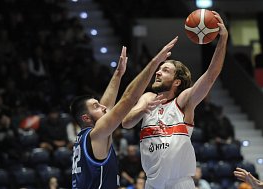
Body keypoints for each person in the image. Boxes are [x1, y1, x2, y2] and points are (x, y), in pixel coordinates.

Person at [122, 11, 228, 189]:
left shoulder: (183, 101)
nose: (158, 72)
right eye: (159, 69)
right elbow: (126, 123)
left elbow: (210, 77)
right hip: (152, 183)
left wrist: (223, 39)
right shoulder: (147, 98)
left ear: (177, 81)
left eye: (165, 70)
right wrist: (142, 109)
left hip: (179, 183)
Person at [70, 37, 178, 189]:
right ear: (86, 118)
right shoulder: (97, 133)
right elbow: (129, 98)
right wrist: (154, 62)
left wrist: (118, 74)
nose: (103, 107)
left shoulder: (83, 138)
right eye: (96, 106)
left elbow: (106, 106)